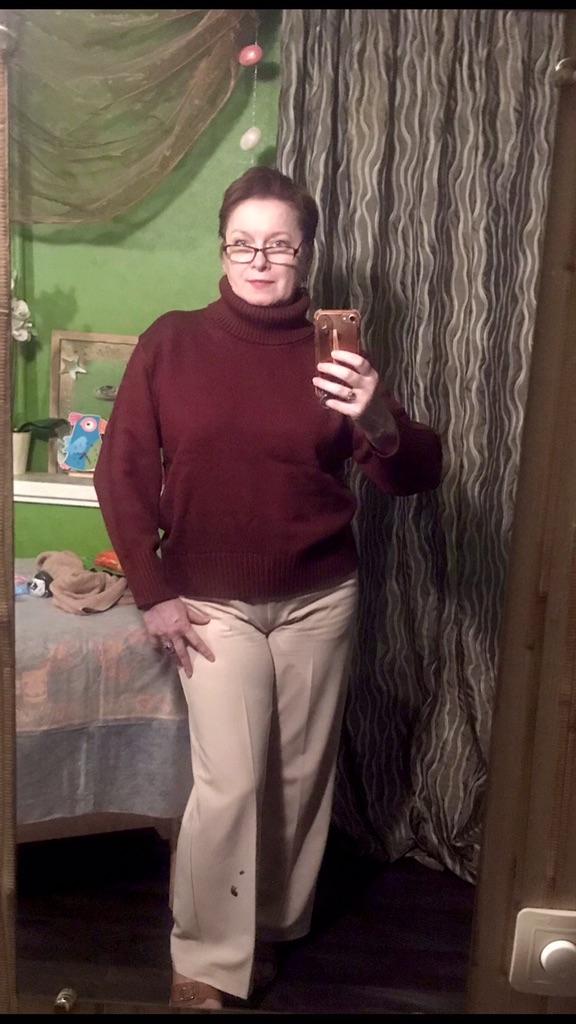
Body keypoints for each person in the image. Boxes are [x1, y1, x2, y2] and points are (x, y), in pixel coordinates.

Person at [93, 166, 443, 1009]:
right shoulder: (172, 342)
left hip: (321, 597)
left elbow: (415, 476)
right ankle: (206, 957)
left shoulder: (338, 356)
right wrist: (152, 592)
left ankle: (271, 927)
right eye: (243, 243)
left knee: (299, 778)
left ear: (305, 254)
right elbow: (122, 472)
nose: (258, 259)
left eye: (278, 244)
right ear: (222, 249)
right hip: (210, 602)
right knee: (233, 783)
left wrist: (377, 417)